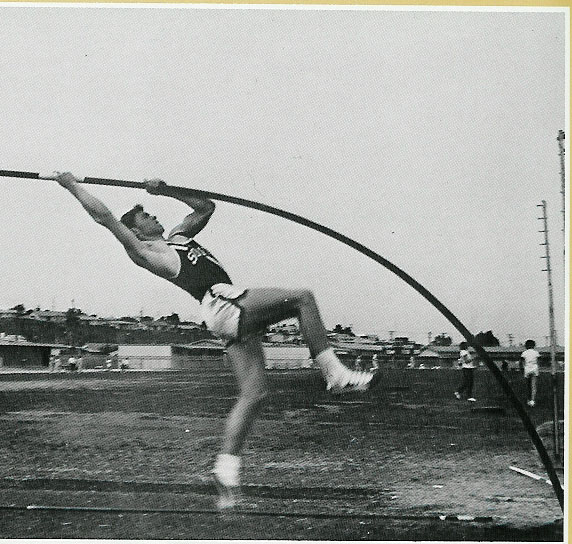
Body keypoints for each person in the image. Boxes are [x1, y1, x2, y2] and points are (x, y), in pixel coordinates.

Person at [52, 171, 380, 509]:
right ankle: (335, 374)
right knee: (302, 298)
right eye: (145, 216)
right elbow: (105, 217)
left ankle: (226, 470)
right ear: (136, 230)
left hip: (225, 312)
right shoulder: (145, 251)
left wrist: (165, 191)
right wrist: (72, 185)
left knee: (254, 394)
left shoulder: (179, 236)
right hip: (221, 302)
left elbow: (205, 207)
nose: (152, 216)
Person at [520, 339, 539, 407]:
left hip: (527, 369)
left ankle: (528, 400)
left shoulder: (524, 353)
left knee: (527, 386)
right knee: (533, 386)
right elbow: (538, 360)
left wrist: (522, 369)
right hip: (534, 369)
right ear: (533, 345)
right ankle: (532, 400)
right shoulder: (536, 352)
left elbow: (521, 362)